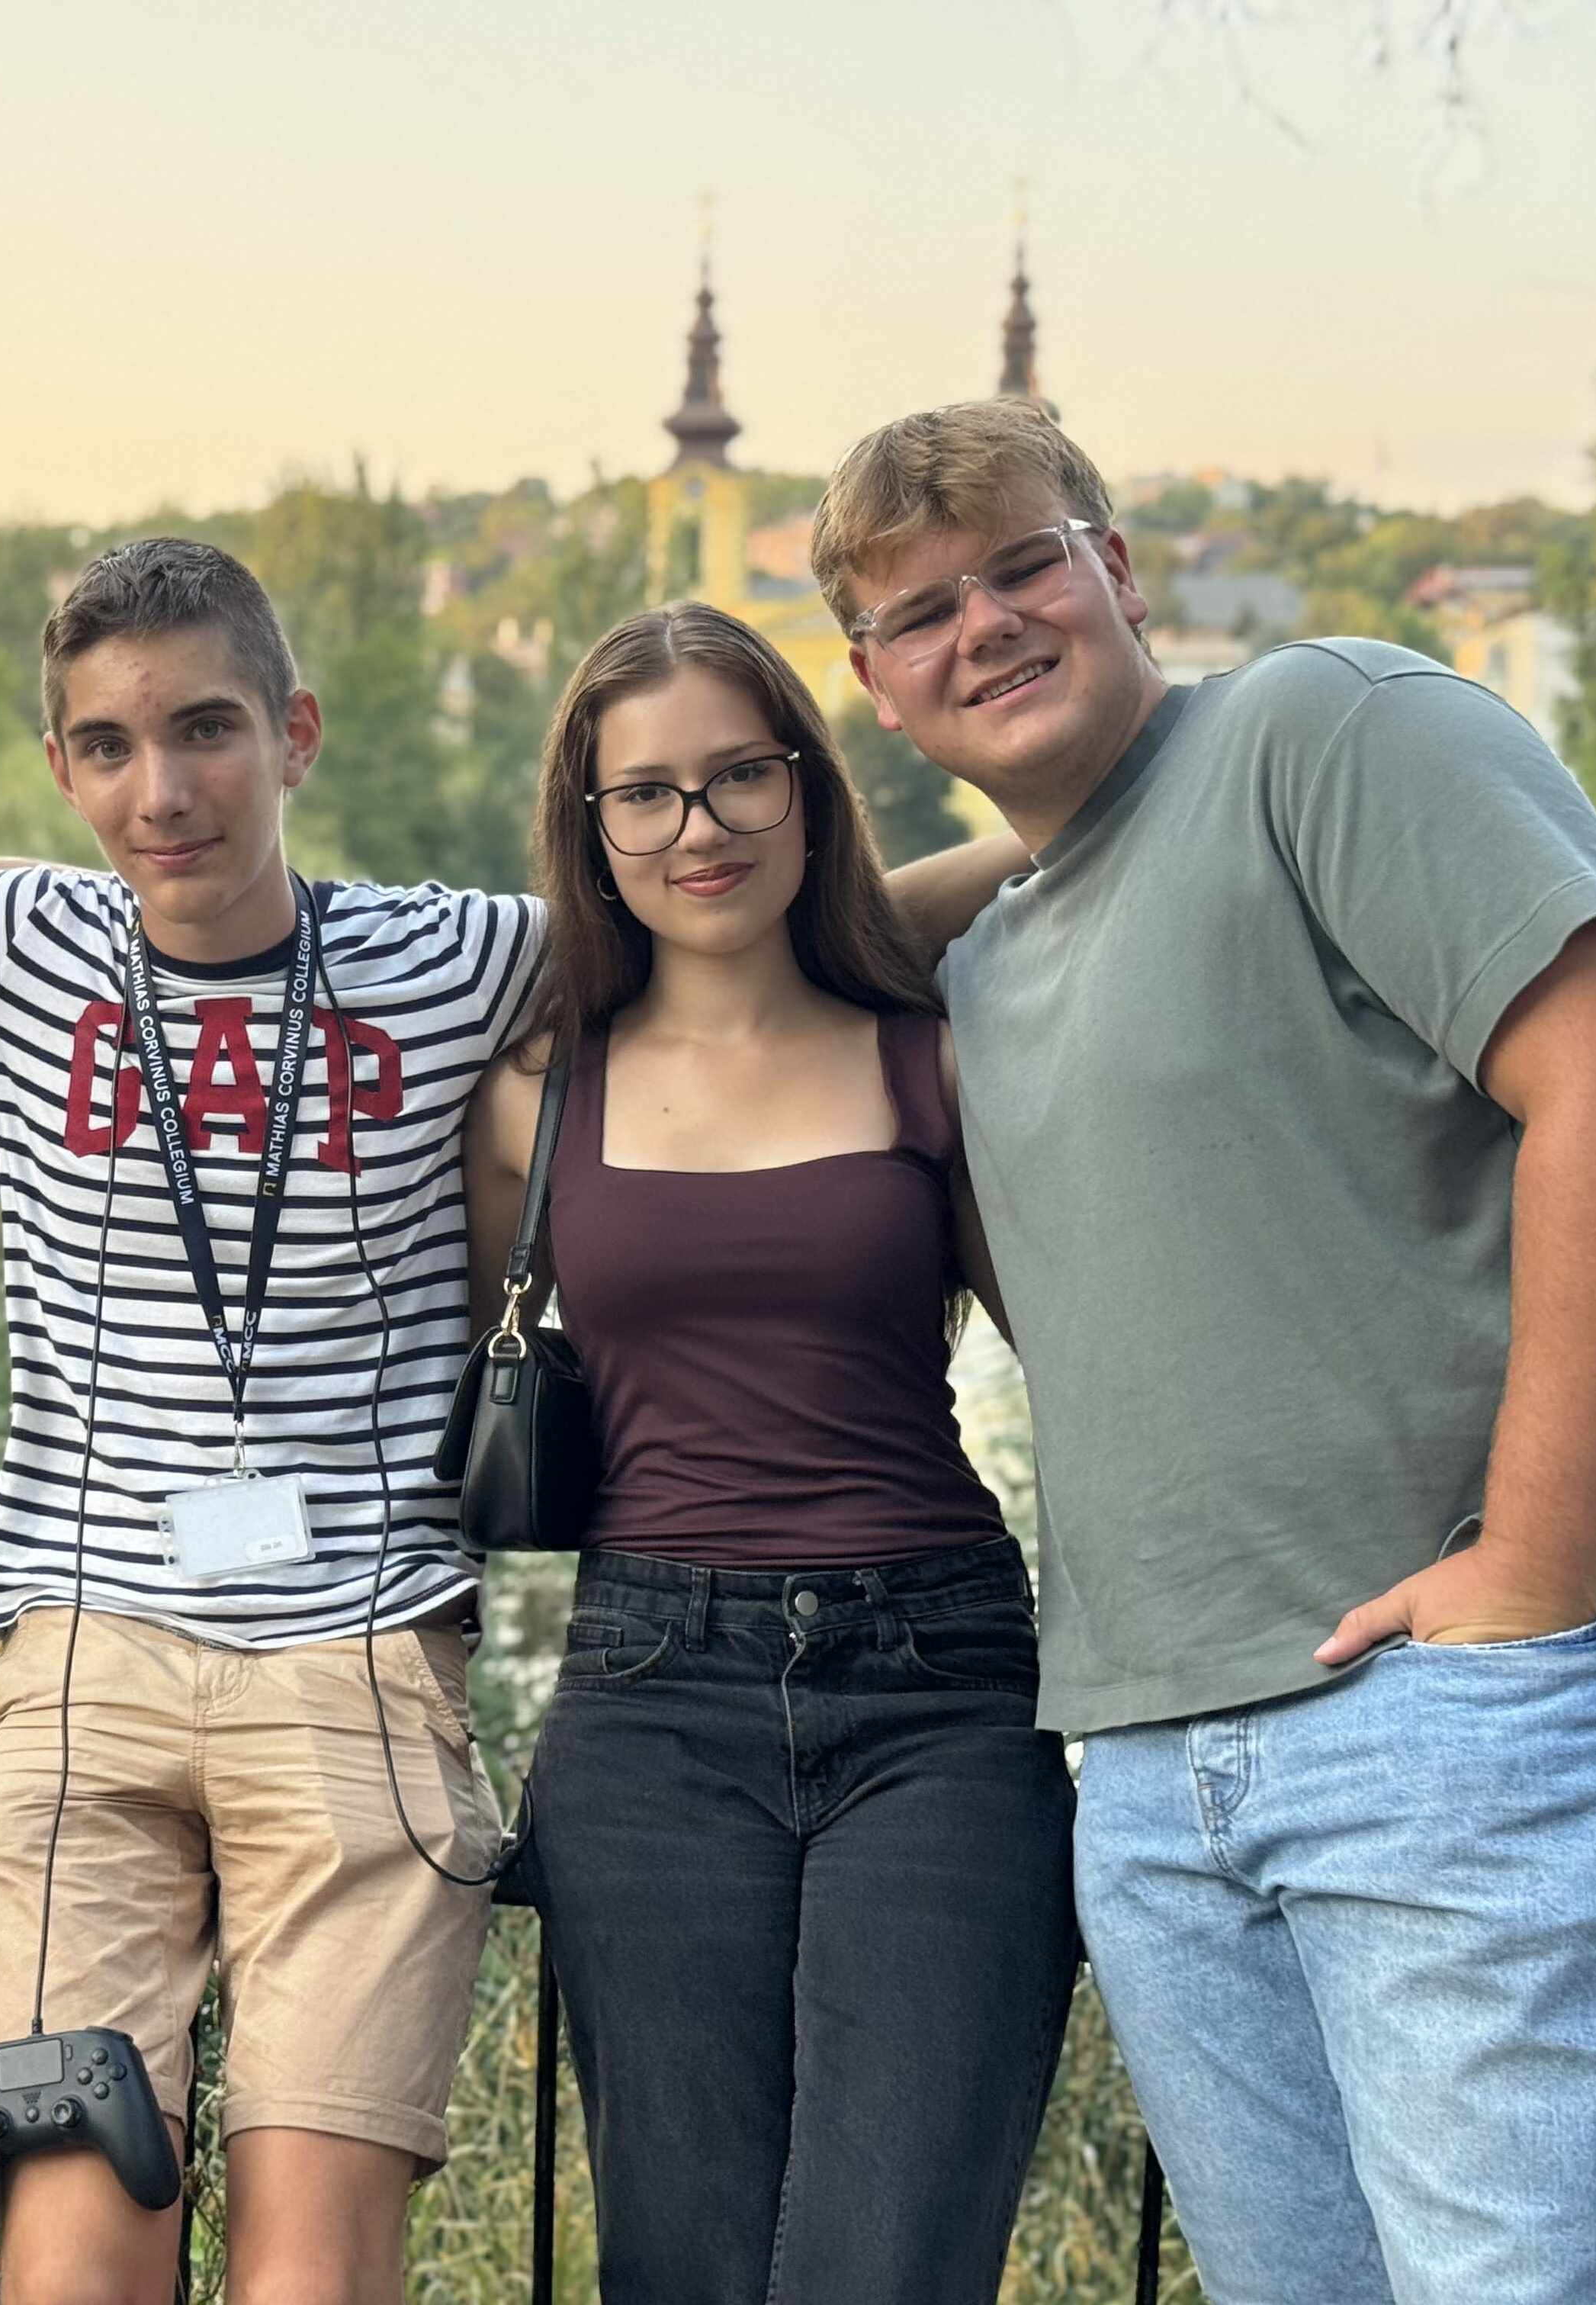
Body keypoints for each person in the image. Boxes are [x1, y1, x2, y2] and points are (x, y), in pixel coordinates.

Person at [0, 538, 1026, 2304]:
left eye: (206, 728)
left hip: (359, 1657)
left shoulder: (459, 958)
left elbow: (740, 915)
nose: (163, 789)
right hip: (82, 1664)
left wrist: (1086, 804)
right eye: (110, 745)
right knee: (71, 2246)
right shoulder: (7, 930)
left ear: (293, 732)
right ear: (59, 764)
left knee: (317, 2266)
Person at [810, 397, 1596, 2304]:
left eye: (1020, 566)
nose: (981, 625)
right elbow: (738, 955)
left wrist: (1530, 1574)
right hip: (1155, 1774)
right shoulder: (982, 962)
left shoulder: (1320, 729)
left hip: (1470, 1719)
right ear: (874, 686)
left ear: (1114, 568)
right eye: (919, 613)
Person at [463, 601, 1074, 2304]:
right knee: (685, 2268)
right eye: (644, 792)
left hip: (941, 1686)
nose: (698, 826)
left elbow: (1089, 1369)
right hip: (650, 1693)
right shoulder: (530, 1098)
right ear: (590, 826)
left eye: (741, 774)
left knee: (887, 2267)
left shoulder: (931, 1059)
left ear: (808, 786)